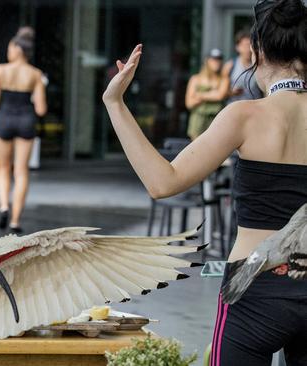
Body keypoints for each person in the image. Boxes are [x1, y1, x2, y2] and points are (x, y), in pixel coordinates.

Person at [102, 0, 307, 364]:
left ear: (256, 49)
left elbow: (162, 182)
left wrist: (115, 102)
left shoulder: (244, 116)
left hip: (254, 286)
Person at [0, 26, 47, 234]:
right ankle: (16, 220)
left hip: (5, 119)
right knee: (21, 172)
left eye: (10, 47)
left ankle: (3, 206)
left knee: (3, 168)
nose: (8, 51)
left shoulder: (0, 70)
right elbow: (41, 109)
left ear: (18, 48)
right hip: (26, 120)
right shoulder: (35, 74)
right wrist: (40, 89)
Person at [184, 49, 228, 140]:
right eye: (214, 59)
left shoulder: (224, 79)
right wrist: (211, 94)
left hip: (216, 119)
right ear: (207, 61)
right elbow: (189, 103)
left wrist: (199, 95)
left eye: (219, 59)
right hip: (198, 119)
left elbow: (220, 96)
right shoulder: (196, 79)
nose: (217, 62)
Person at [223, 30, 264, 104]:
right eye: (244, 45)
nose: (247, 49)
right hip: (234, 108)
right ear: (237, 47)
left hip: (254, 108)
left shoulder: (260, 65)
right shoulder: (230, 66)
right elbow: (222, 92)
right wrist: (231, 92)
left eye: (250, 45)